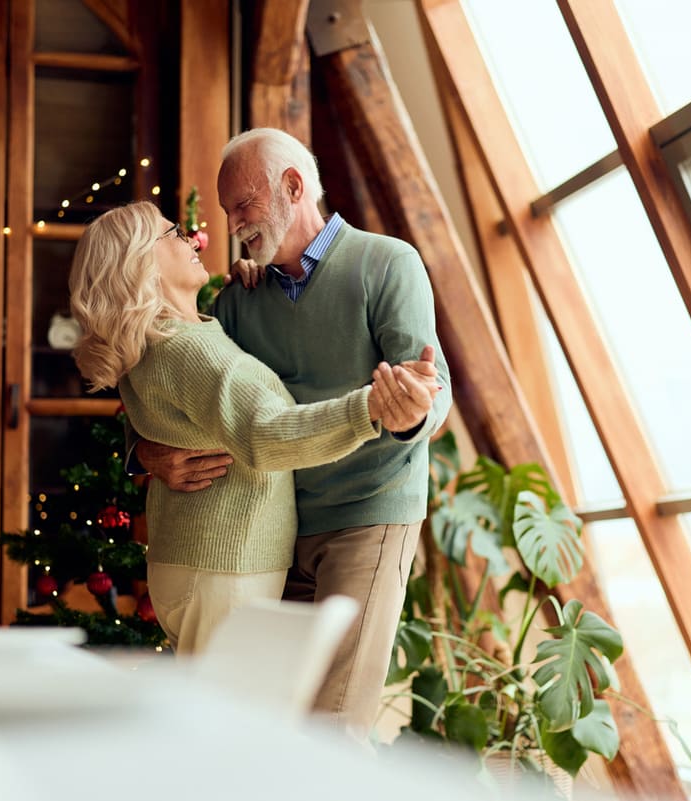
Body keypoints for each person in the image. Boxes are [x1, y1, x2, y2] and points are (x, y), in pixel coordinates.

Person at [135, 128, 452, 737]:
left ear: (293, 186)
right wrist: (145, 452)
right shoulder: (238, 300)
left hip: (369, 513)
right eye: (229, 213)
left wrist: (413, 412)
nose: (233, 227)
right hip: (278, 529)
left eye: (243, 207)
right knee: (280, 726)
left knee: (333, 725)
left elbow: (431, 395)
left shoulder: (387, 264)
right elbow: (172, 382)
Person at [68, 200, 436, 655]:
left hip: (195, 565)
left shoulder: (160, 342)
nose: (193, 238)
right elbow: (268, 433)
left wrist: (248, 289)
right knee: (226, 721)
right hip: (226, 570)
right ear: (140, 261)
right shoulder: (189, 349)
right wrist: (370, 408)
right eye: (173, 234)